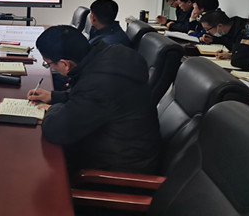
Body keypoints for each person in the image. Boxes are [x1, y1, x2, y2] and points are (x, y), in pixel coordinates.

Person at [26, 26, 160, 174]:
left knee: (33, 165)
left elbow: (56, 131)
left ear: (65, 64)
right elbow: (89, 100)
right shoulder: (108, 55)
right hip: (122, 147)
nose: (49, 67)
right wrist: (53, 97)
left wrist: (53, 109)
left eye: (48, 64)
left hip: (119, 169)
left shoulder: (98, 84)